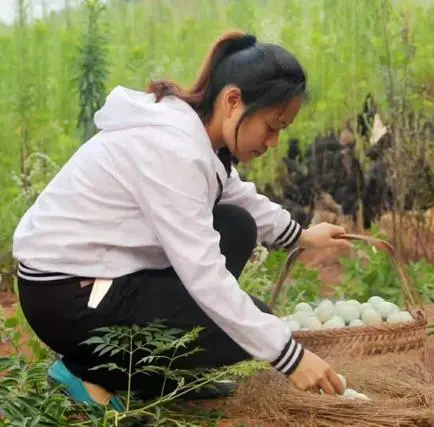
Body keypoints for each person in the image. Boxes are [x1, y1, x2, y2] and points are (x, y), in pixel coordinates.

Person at [11, 30, 352, 411]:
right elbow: (203, 274)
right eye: (272, 126)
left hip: (99, 276)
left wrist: (301, 237)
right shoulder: (172, 148)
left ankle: (158, 374)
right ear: (232, 100)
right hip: (66, 295)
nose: (273, 141)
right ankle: (88, 371)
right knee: (239, 333)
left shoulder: (197, 138)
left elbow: (238, 195)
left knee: (236, 226)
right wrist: (289, 355)